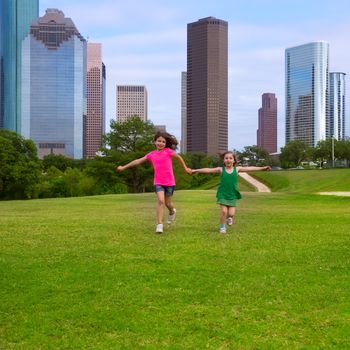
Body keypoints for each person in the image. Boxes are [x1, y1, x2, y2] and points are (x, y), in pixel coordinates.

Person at [116, 131, 192, 233]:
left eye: (163, 142)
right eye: (159, 141)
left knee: (168, 204)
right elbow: (137, 161)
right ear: (155, 142)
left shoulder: (168, 151)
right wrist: (123, 167)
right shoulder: (151, 154)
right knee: (161, 201)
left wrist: (186, 168)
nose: (161, 143)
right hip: (158, 182)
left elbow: (179, 157)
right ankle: (159, 225)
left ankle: (172, 211)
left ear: (165, 143)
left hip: (169, 182)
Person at [191, 151, 271, 234]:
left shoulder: (237, 169)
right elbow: (208, 170)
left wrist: (262, 168)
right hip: (222, 194)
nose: (228, 160)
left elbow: (250, 168)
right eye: (226, 158)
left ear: (234, 161)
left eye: (230, 158)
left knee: (231, 214)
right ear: (223, 160)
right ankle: (222, 227)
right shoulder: (221, 169)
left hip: (232, 194)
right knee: (224, 212)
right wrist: (195, 170)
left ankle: (230, 218)